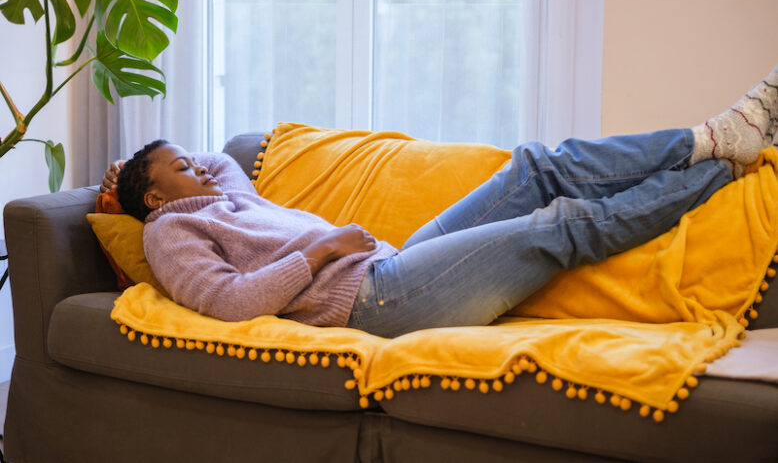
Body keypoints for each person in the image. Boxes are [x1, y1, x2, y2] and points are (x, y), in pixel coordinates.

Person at [102, 65, 778, 338]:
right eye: (182, 168)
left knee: (536, 167)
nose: (206, 168)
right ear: (158, 197)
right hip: (375, 302)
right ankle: (720, 171)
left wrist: (146, 168)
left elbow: (220, 158)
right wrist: (321, 249)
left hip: (393, 263)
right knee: (558, 226)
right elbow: (229, 302)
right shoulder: (170, 235)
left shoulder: (219, 191)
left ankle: (714, 139)